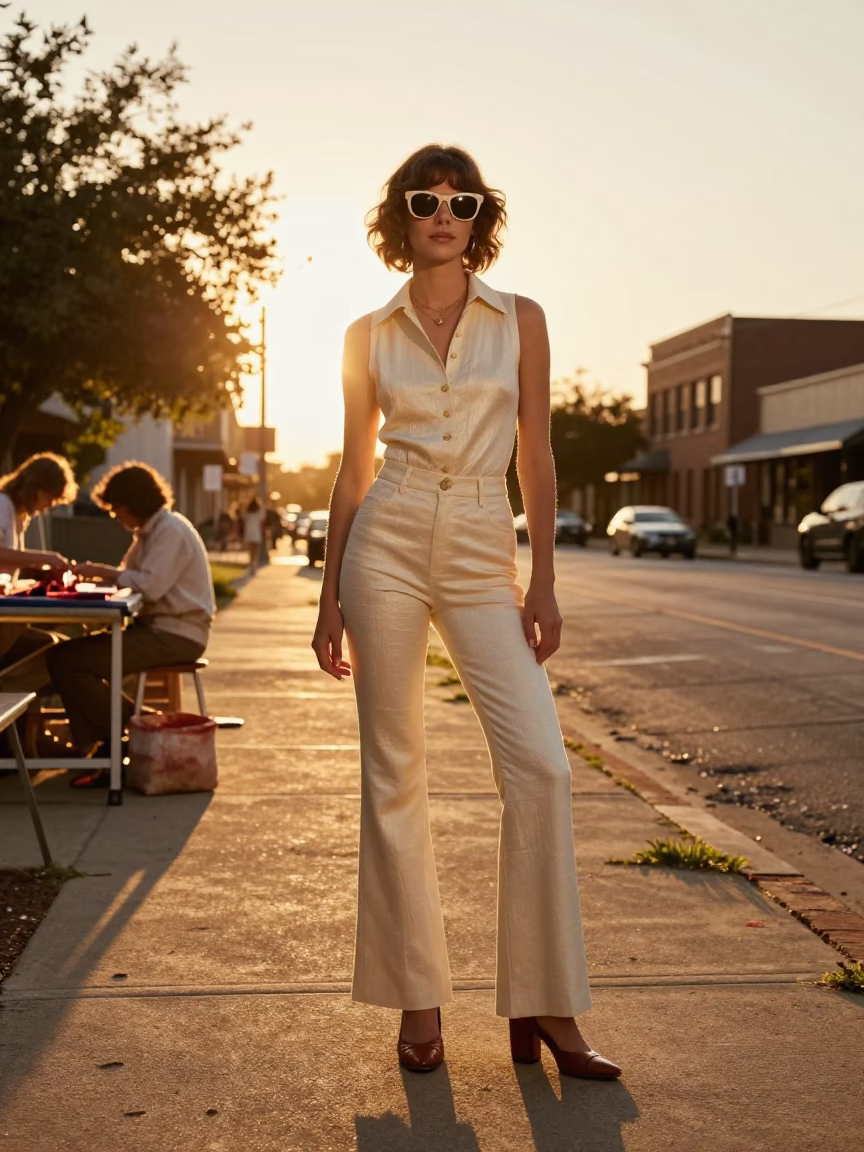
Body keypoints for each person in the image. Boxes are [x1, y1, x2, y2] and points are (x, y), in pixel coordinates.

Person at [311, 145, 621, 1079]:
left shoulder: (521, 319)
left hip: (486, 544)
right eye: (425, 201)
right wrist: (329, 597)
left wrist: (544, 579)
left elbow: (536, 453)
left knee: (541, 766)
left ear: (480, 219)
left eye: (462, 202)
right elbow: (353, 471)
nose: (443, 214)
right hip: (387, 540)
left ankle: (546, 1002)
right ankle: (418, 999)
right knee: (393, 769)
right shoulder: (366, 333)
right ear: (400, 219)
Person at [47, 462, 215, 782]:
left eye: (118, 507)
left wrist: (103, 572)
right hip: (157, 629)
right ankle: (120, 735)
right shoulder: (149, 532)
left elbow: (149, 585)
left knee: (68, 660)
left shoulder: (169, 531)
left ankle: (122, 734)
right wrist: (98, 579)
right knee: (68, 657)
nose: (115, 515)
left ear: (136, 502)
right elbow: (128, 577)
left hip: (177, 634)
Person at [0, 453, 77, 692]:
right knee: (55, 655)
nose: (50, 505)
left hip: (5, 613)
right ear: (35, 487)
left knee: (59, 650)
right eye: (50, 497)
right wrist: (42, 558)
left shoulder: (18, 515)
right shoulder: (2, 505)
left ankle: (19, 712)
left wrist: (41, 576)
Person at [242, 496, 264, 573]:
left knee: (251, 551)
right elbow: (262, 523)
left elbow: (242, 518)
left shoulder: (247, 515)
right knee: (255, 551)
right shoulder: (259, 515)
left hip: (248, 534)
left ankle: (251, 564)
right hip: (256, 534)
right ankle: (253, 565)